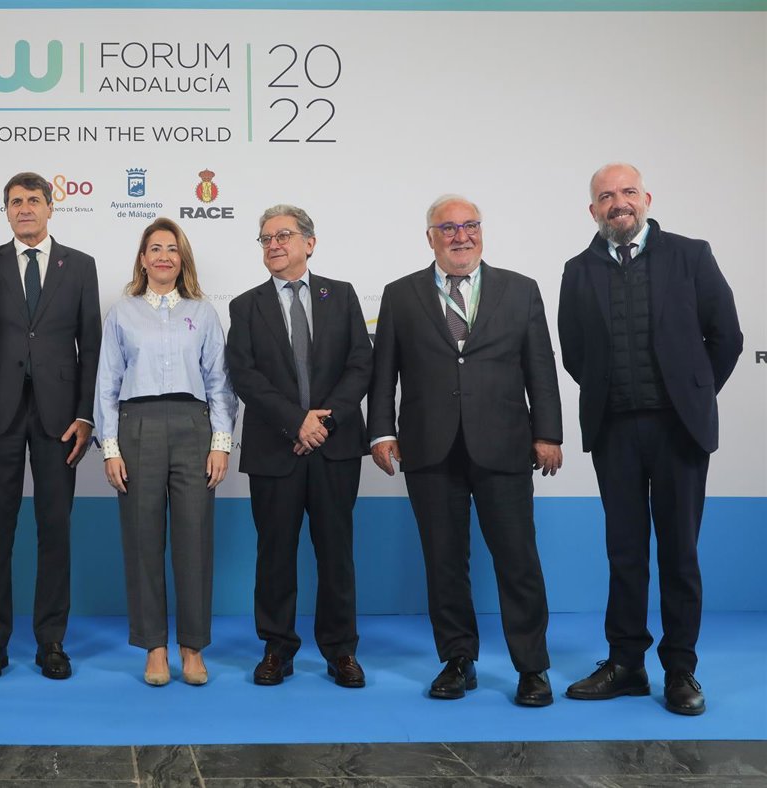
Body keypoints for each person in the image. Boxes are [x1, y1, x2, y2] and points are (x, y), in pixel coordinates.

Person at [558, 163, 742, 716]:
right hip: (614, 430)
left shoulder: (691, 255)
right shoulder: (577, 270)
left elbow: (726, 337)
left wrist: (693, 393)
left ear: (647, 199)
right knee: (625, 553)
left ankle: (680, 668)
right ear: (593, 209)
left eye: (628, 192)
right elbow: (574, 352)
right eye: (606, 196)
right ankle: (626, 664)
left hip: (678, 430)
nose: (618, 202)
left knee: (679, 554)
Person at [367, 195, 562, 707]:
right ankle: (458, 659)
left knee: (518, 560)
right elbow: (383, 372)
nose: (461, 236)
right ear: (430, 237)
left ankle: (532, 667)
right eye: (448, 228)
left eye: (469, 225)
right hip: (429, 448)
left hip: (505, 444)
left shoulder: (520, 289)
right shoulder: (400, 294)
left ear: (482, 230)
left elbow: (540, 367)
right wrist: (381, 432)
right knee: (444, 561)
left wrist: (548, 434)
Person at [0, 172, 102, 681]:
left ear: (50, 207)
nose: (24, 209)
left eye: (33, 200)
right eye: (15, 201)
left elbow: (91, 346)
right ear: (6, 210)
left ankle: (51, 641)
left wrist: (86, 414)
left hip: (61, 420)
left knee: (54, 529)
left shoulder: (80, 265)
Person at [225, 205, 372, 689]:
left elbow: (361, 364)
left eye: (282, 235)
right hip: (275, 450)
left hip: (334, 446)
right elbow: (245, 375)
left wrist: (323, 421)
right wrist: (296, 422)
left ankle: (341, 650)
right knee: (274, 555)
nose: (273, 245)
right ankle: (277, 648)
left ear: (309, 243)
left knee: (337, 553)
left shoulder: (341, 295)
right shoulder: (245, 306)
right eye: (265, 238)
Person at [94, 218, 238, 686]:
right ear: (142, 259)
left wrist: (220, 443)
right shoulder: (122, 313)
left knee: (194, 541)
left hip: (194, 427)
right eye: (154, 248)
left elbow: (219, 383)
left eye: (171, 249)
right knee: (142, 541)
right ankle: (154, 647)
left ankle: (192, 648)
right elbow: (107, 384)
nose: (163, 256)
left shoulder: (203, 313)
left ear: (182, 259)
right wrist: (110, 448)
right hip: (137, 428)